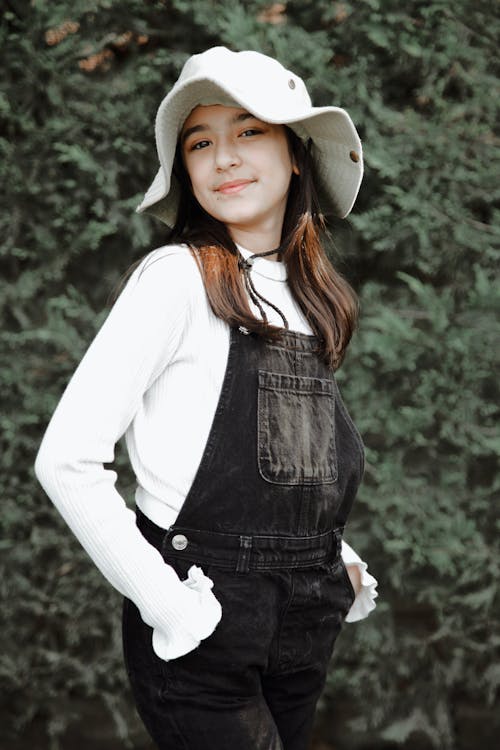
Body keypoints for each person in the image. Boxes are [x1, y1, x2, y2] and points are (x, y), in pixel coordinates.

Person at [35, 46, 378, 750]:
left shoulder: (314, 299)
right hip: (205, 620)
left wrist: (332, 554)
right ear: (185, 171)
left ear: (296, 154)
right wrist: (171, 609)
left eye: (249, 131)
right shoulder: (177, 278)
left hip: (303, 626)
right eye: (200, 141)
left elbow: (289, 458)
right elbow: (65, 460)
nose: (223, 157)